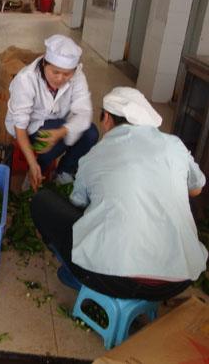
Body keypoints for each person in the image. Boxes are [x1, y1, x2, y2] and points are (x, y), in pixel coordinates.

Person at [30, 87, 207, 300]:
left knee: (42, 201)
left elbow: (78, 202)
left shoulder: (94, 155)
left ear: (106, 119)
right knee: (186, 201)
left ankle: (78, 275)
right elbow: (196, 189)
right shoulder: (174, 144)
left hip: (111, 279)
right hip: (177, 282)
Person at [5, 34, 99, 190]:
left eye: (67, 74)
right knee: (58, 132)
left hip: (58, 121)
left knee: (91, 133)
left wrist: (62, 131)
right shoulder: (26, 79)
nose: (60, 78)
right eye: (55, 72)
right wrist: (32, 163)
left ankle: (64, 173)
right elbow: (20, 126)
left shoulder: (77, 77)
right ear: (44, 62)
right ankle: (35, 172)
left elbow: (84, 112)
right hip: (30, 125)